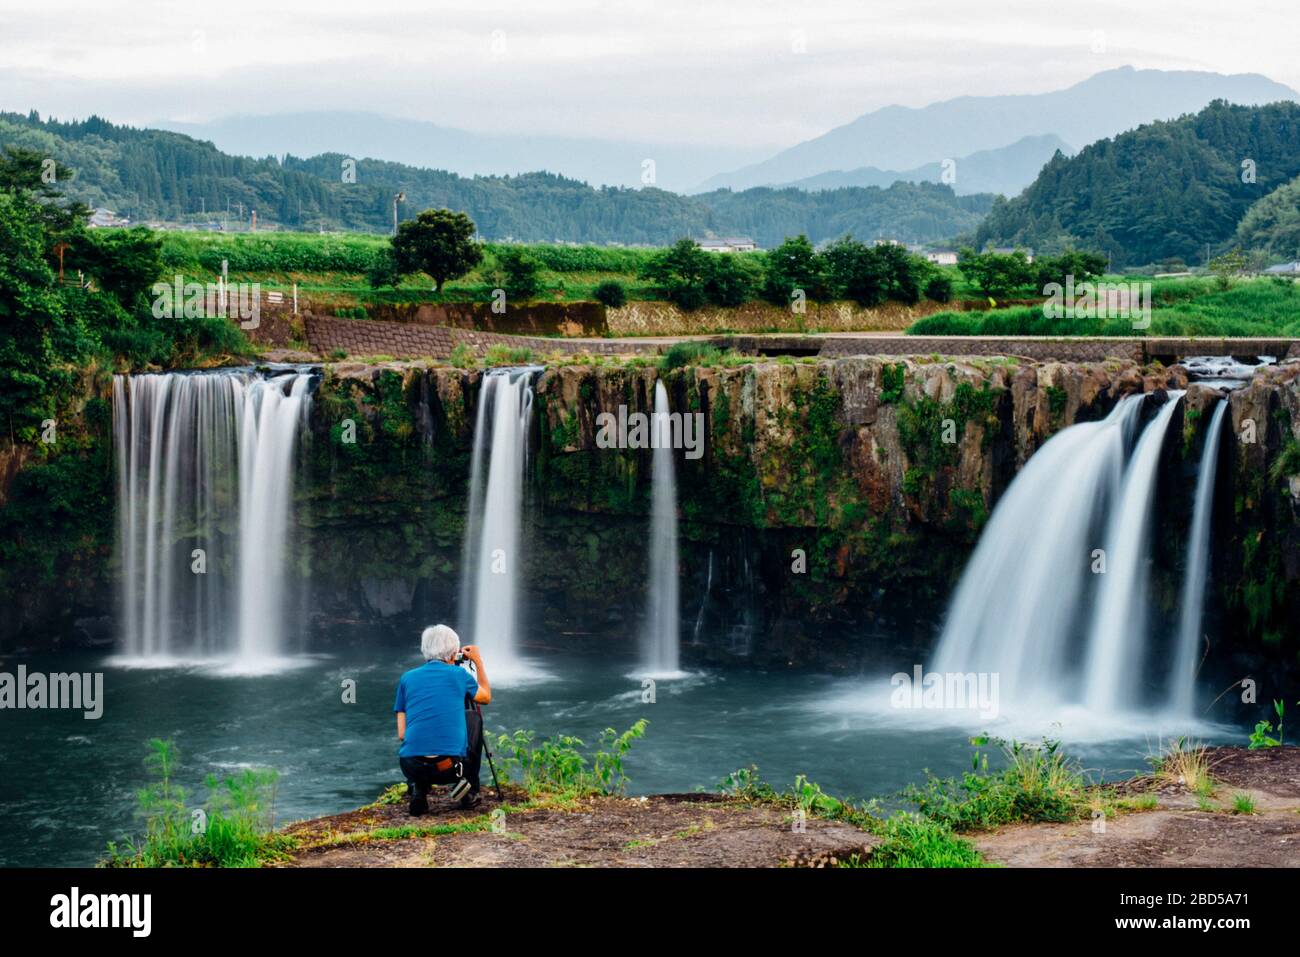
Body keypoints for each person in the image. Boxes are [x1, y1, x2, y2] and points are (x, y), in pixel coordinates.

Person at [394, 624, 492, 815]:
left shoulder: (407, 678)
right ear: (454, 653)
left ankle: (418, 790)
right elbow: (486, 697)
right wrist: (478, 661)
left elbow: (401, 734)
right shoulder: (459, 674)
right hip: (451, 768)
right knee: (472, 717)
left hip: (411, 766)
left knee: (419, 740)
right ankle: (468, 791)